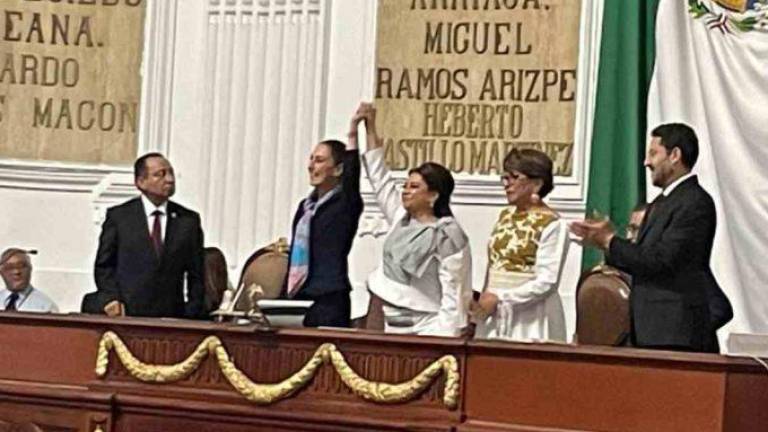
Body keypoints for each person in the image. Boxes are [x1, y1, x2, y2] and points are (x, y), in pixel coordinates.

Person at [570, 123, 732, 353]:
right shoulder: (661, 203)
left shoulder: (694, 202)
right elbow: (642, 257)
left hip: (675, 334)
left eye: (654, 153)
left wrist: (610, 241)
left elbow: (662, 260)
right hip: (650, 331)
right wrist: (604, 241)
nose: (647, 162)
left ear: (675, 155)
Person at [360, 103, 472, 337]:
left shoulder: (447, 234)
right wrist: (369, 128)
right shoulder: (401, 217)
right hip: (388, 321)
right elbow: (379, 178)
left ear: (433, 195)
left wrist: (446, 336)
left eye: (414, 187)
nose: (406, 191)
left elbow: (454, 288)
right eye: (405, 186)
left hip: (427, 326)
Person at [89, 153, 205, 318]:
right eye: (160, 174)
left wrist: (192, 312)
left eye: (171, 173)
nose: (170, 179)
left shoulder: (187, 221)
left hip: (172, 317)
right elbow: (104, 266)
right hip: (129, 314)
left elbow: (197, 274)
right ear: (140, 182)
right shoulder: (120, 217)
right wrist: (111, 298)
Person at [471, 149, 569, 342]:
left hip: (531, 314)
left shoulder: (552, 223)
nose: (507, 184)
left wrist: (502, 298)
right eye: (505, 177)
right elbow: (494, 265)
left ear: (537, 183)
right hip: (495, 309)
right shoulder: (505, 216)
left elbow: (547, 281)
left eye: (515, 177)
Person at [282, 109, 365, 328]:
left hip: (328, 297)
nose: (311, 166)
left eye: (319, 160)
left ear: (338, 169)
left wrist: (353, 133)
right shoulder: (305, 207)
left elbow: (352, 176)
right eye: (311, 159)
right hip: (297, 294)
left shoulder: (345, 204)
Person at [0, 248, 58, 313]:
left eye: (22, 266)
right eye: (10, 267)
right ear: (1, 272)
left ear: (30, 269)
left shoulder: (46, 307)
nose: (16, 272)